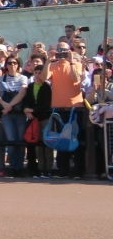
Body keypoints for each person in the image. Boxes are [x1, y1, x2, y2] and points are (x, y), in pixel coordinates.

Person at [48, 40, 86, 179]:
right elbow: (44, 76)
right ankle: (62, 170)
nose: (62, 52)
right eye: (59, 49)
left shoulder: (77, 64)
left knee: (76, 140)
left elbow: (76, 79)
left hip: (75, 108)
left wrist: (70, 62)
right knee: (61, 139)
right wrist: (47, 60)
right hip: (59, 109)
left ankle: (77, 171)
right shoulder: (52, 65)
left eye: (64, 49)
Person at [0, 57, 28, 177]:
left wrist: (9, 105)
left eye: (14, 63)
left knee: (20, 140)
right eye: (9, 63)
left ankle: (20, 166)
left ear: (18, 64)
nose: (12, 65)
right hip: (7, 113)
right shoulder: (1, 78)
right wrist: (4, 105)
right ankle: (13, 166)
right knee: (11, 140)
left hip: (19, 113)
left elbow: (22, 93)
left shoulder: (23, 78)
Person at [21, 58, 53, 178]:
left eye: (40, 73)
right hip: (33, 118)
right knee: (37, 143)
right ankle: (40, 168)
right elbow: (26, 101)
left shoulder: (46, 87)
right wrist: (26, 110)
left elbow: (46, 103)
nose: (38, 75)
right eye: (36, 73)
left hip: (44, 117)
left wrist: (33, 110)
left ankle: (48, 168)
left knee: (47, 143)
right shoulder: (30, 86)